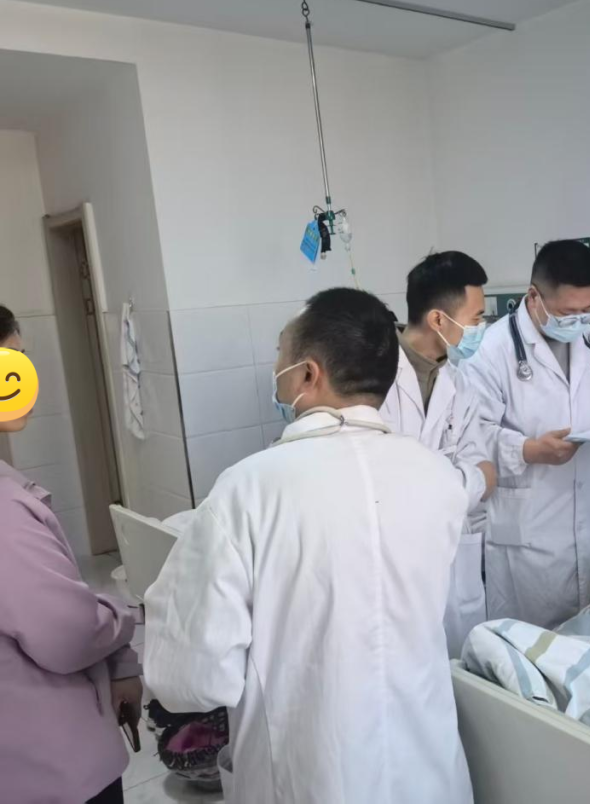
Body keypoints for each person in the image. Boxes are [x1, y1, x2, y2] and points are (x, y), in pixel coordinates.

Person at [144, 289, 473, 804]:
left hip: (309, 772)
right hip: (425, 765)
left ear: (307, 374)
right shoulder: (438, 477)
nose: (276, 369)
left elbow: (193, 675)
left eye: (281, 354)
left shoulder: (248, 488)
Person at [0, 305, 143, 804]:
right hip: (49, 773)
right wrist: (120, 618)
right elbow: (68, 634)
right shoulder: (6, 514)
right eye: (13, 361)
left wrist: (120, 661)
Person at [459, 240, 590, 629]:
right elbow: (472, 435)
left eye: (587, 309)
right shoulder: (492, 350)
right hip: (531, 529)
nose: (579, 320)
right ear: (534, 297)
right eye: (567, 312)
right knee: (530, 644)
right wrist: (528, 450)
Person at [380, 251, 496, 657]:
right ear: (438, 320)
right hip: (393, 561)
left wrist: (444, 482)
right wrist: (459, 481)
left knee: (456, 669)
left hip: (450, 557)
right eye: (476, 318)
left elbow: (485, 471)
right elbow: (381, 483)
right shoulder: (374, 379)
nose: (481, 328)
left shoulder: (459, 384)